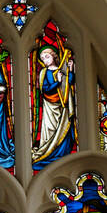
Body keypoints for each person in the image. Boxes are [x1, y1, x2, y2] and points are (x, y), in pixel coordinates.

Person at [31, 35, 76, 169]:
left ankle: (62, 155)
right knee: (50, 131)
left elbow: (69, 83)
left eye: (47, 57)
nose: (45, 60)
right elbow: (44, 89)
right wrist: (57, 82)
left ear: (54, 56)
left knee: (64, 131)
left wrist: (71, 70)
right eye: (43, 59)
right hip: (50, 106)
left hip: (63, 106)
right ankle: (47, 154)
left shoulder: (62, 70)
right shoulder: (44, 73)